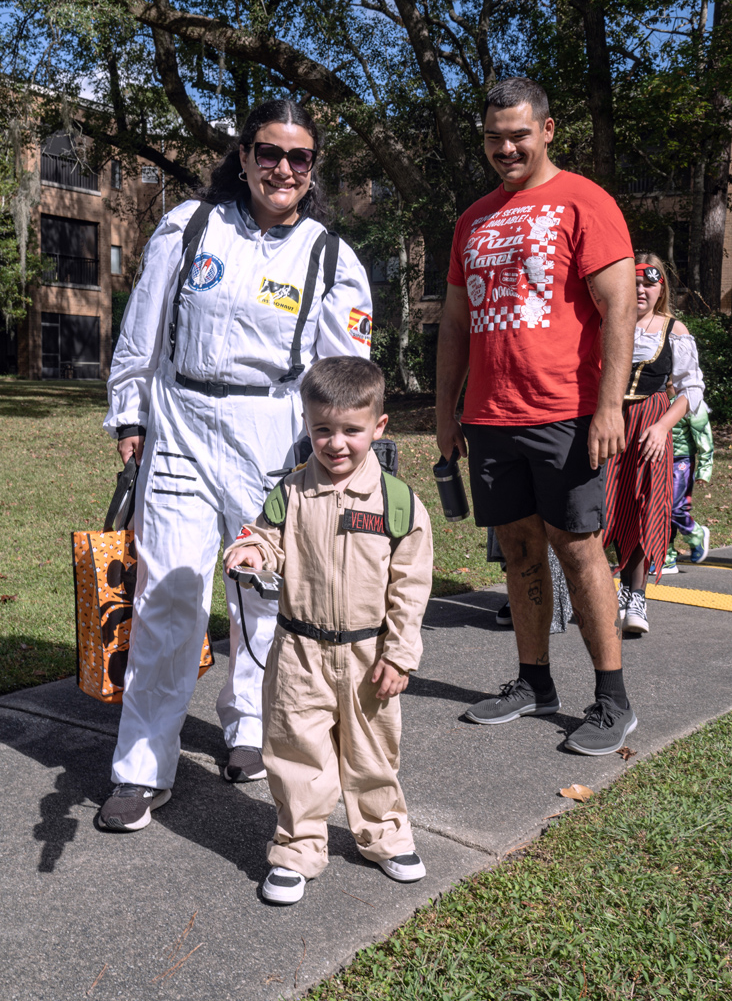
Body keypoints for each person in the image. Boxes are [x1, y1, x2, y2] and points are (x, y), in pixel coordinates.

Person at [99, 99, 373, 831]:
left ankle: (246, 723)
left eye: (299, 158)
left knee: (262, 591)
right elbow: (143, 327)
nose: (282, 168)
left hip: (271, 431)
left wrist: (337, 451)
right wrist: (130, 412)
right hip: (181, 421)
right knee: (168, 596)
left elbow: (346, 368)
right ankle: (141, 766)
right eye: (268, 152)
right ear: (244, 155)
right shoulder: (188, 227)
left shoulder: (328, 256)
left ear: (313, 169)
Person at [436, 76, 639, 757]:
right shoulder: (473, 219)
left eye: (518, 134)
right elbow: (456, 327)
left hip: (566, 413)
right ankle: (533, 683)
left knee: (580, 553)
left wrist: (610, 405)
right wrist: (446, 411)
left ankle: (612, 698)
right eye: (494, 137)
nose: (506, 147)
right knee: (518, 550)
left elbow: (621, 312)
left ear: (546, 131)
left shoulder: (586, 201)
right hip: (492, 418)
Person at [223, 357, 433, 904]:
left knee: (373, 755)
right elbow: (266, 539)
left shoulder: (398, 502)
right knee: (297, 755)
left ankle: (384, 835)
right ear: (306, 424)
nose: (335, 443)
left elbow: (411, 589)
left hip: (370, 655)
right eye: (322, 430)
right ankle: (298, 848)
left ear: (378, 428)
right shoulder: (289, 493)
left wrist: (401, 654)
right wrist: (251, 551)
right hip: (298, 652)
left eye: (351, 431)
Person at [606, 254, 705, 632]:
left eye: (650, 282)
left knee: (644, 504)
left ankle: (637, 599)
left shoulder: (672, 329)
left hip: (650, 424)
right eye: (635, 282)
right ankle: (592, 593)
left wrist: (663, 427)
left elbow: (690, 388)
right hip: (609, 422)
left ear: (661, 286)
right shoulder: (610, 323)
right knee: (605, 506)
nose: (641, 289)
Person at [662, 398, 713, 575]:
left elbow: (703, 435)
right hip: (658, 458)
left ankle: (696, 535)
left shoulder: (691, 400)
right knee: (659, 511)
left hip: (681, 460)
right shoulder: (654, 396)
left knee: (675, 508)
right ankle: (666, 560)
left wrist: (704, 470)